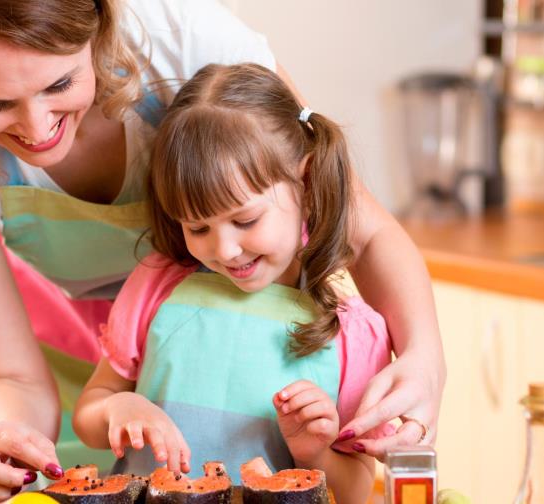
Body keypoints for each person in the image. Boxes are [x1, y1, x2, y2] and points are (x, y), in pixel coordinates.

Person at [0, 0, 444, 501]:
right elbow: (11, 374)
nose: (37, 128)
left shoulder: (177, 40)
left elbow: (361, 228)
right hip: (98, 373)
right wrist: (14, 440)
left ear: (97, 32)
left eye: (60, 84)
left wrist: (424, 357)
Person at [73, 62, 397, 504]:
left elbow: (358, 489)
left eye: (244, 219)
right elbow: (90, 410)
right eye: (198, 227)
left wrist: (315, 451)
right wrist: (116, 407)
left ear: (304, 179)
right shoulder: (157, 284)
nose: (224, 250)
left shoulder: (352, 335)